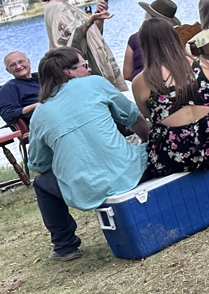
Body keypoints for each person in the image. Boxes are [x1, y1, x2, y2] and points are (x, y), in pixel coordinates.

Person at [26, 47, 152, 261]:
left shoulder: (39, 114)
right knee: (146, 149)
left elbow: (38, 165)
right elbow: (133, 117)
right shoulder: (95, 83)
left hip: (84, 190)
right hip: (129, 171)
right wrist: (148, 141)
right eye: (84, 65)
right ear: (68, 72)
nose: (89, 68)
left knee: (41, 183)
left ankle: (65, 246)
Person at [130, 18, 209, 205]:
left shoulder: (140, 82)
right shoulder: (205, 65)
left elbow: (151, 118)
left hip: (175, 151)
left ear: (145, 47)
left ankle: (191, 193)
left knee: (163, 138)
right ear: (174, 38)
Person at [37, 0, 125, 90]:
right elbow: (66, 43)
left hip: (92, 64)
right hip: (84, 69)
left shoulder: (66, 6)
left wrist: (98, 17)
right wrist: (90, 21)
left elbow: (91, 36)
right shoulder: (56, 8)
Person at [121, 0, 182, 81]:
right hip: (172, 83)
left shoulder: (134, 39)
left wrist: (141, 83)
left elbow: (127, 75)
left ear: (147, 16)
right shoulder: (174, 37)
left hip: (142, 84)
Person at [1, 52, 39, 128]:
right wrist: (37, 105)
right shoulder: (9, 88)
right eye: (13, 65)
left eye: (21, 61)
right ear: (8, 70)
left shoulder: (45, 76)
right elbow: (8, 115)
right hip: (41, 120)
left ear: (28, 61)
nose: (18, 66)